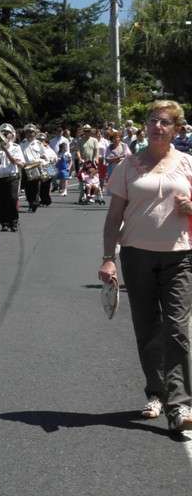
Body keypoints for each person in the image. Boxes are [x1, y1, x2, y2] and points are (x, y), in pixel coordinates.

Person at [99, 100, 192, 434]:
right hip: (137, 254)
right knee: (148, 327)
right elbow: (113, 218)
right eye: (153, 120)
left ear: (177, 129)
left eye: (165, 122)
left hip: (180, 256)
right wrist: (109, 256)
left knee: (178, 329)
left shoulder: (187, 164)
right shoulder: (128, 165)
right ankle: (156, 392)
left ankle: (180, 402)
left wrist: (190, 206)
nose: (157, 126)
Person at [0, 123, 25, 232]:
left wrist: (5, 150)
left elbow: (17, 162)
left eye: (7, 133)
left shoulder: (16, 147)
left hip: (12, 177)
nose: (5, 135)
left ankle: (14, 222)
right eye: (3, 133)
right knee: (1, 201)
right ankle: (4, 223)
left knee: (12, 199)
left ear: (12, 135)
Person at [20, 124, 50, 213]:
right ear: (25, 133)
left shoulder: (39, 143)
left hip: (36, 167)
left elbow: (45, 155)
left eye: (32, 132)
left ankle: (34, 203)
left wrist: (43, 162)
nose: (30, 134)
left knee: (36, 186)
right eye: (28, 132)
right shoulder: (22, 144)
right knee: (27, 187)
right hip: (25, 167)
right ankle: (30, 202)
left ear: (35, 133)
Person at [38, 133, 57, 206]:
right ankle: (44, 200)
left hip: (48, 167)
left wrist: (49, 159)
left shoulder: (48, 148)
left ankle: (46, 200)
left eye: (42, 140)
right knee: (41, 186)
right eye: (39, 140)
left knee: (46, 185)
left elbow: (54, 157)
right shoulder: (36, 148)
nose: (41, 141)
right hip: (41, 167)